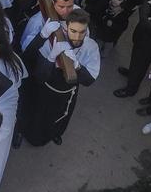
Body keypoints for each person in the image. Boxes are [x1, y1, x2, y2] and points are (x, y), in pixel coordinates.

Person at [20, 9, 100, 146]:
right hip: (47, 89)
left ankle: (55, 134)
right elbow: (40, 76)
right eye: (73, 31)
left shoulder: (91, 46)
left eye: (82, 32)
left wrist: (77, 66)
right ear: (66, 27)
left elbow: (89, 80)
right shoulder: (53, 42)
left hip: (67, 92)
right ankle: (31, 137)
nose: (77, 37)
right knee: (38, 117)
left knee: (61, 116)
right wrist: (51, 57)